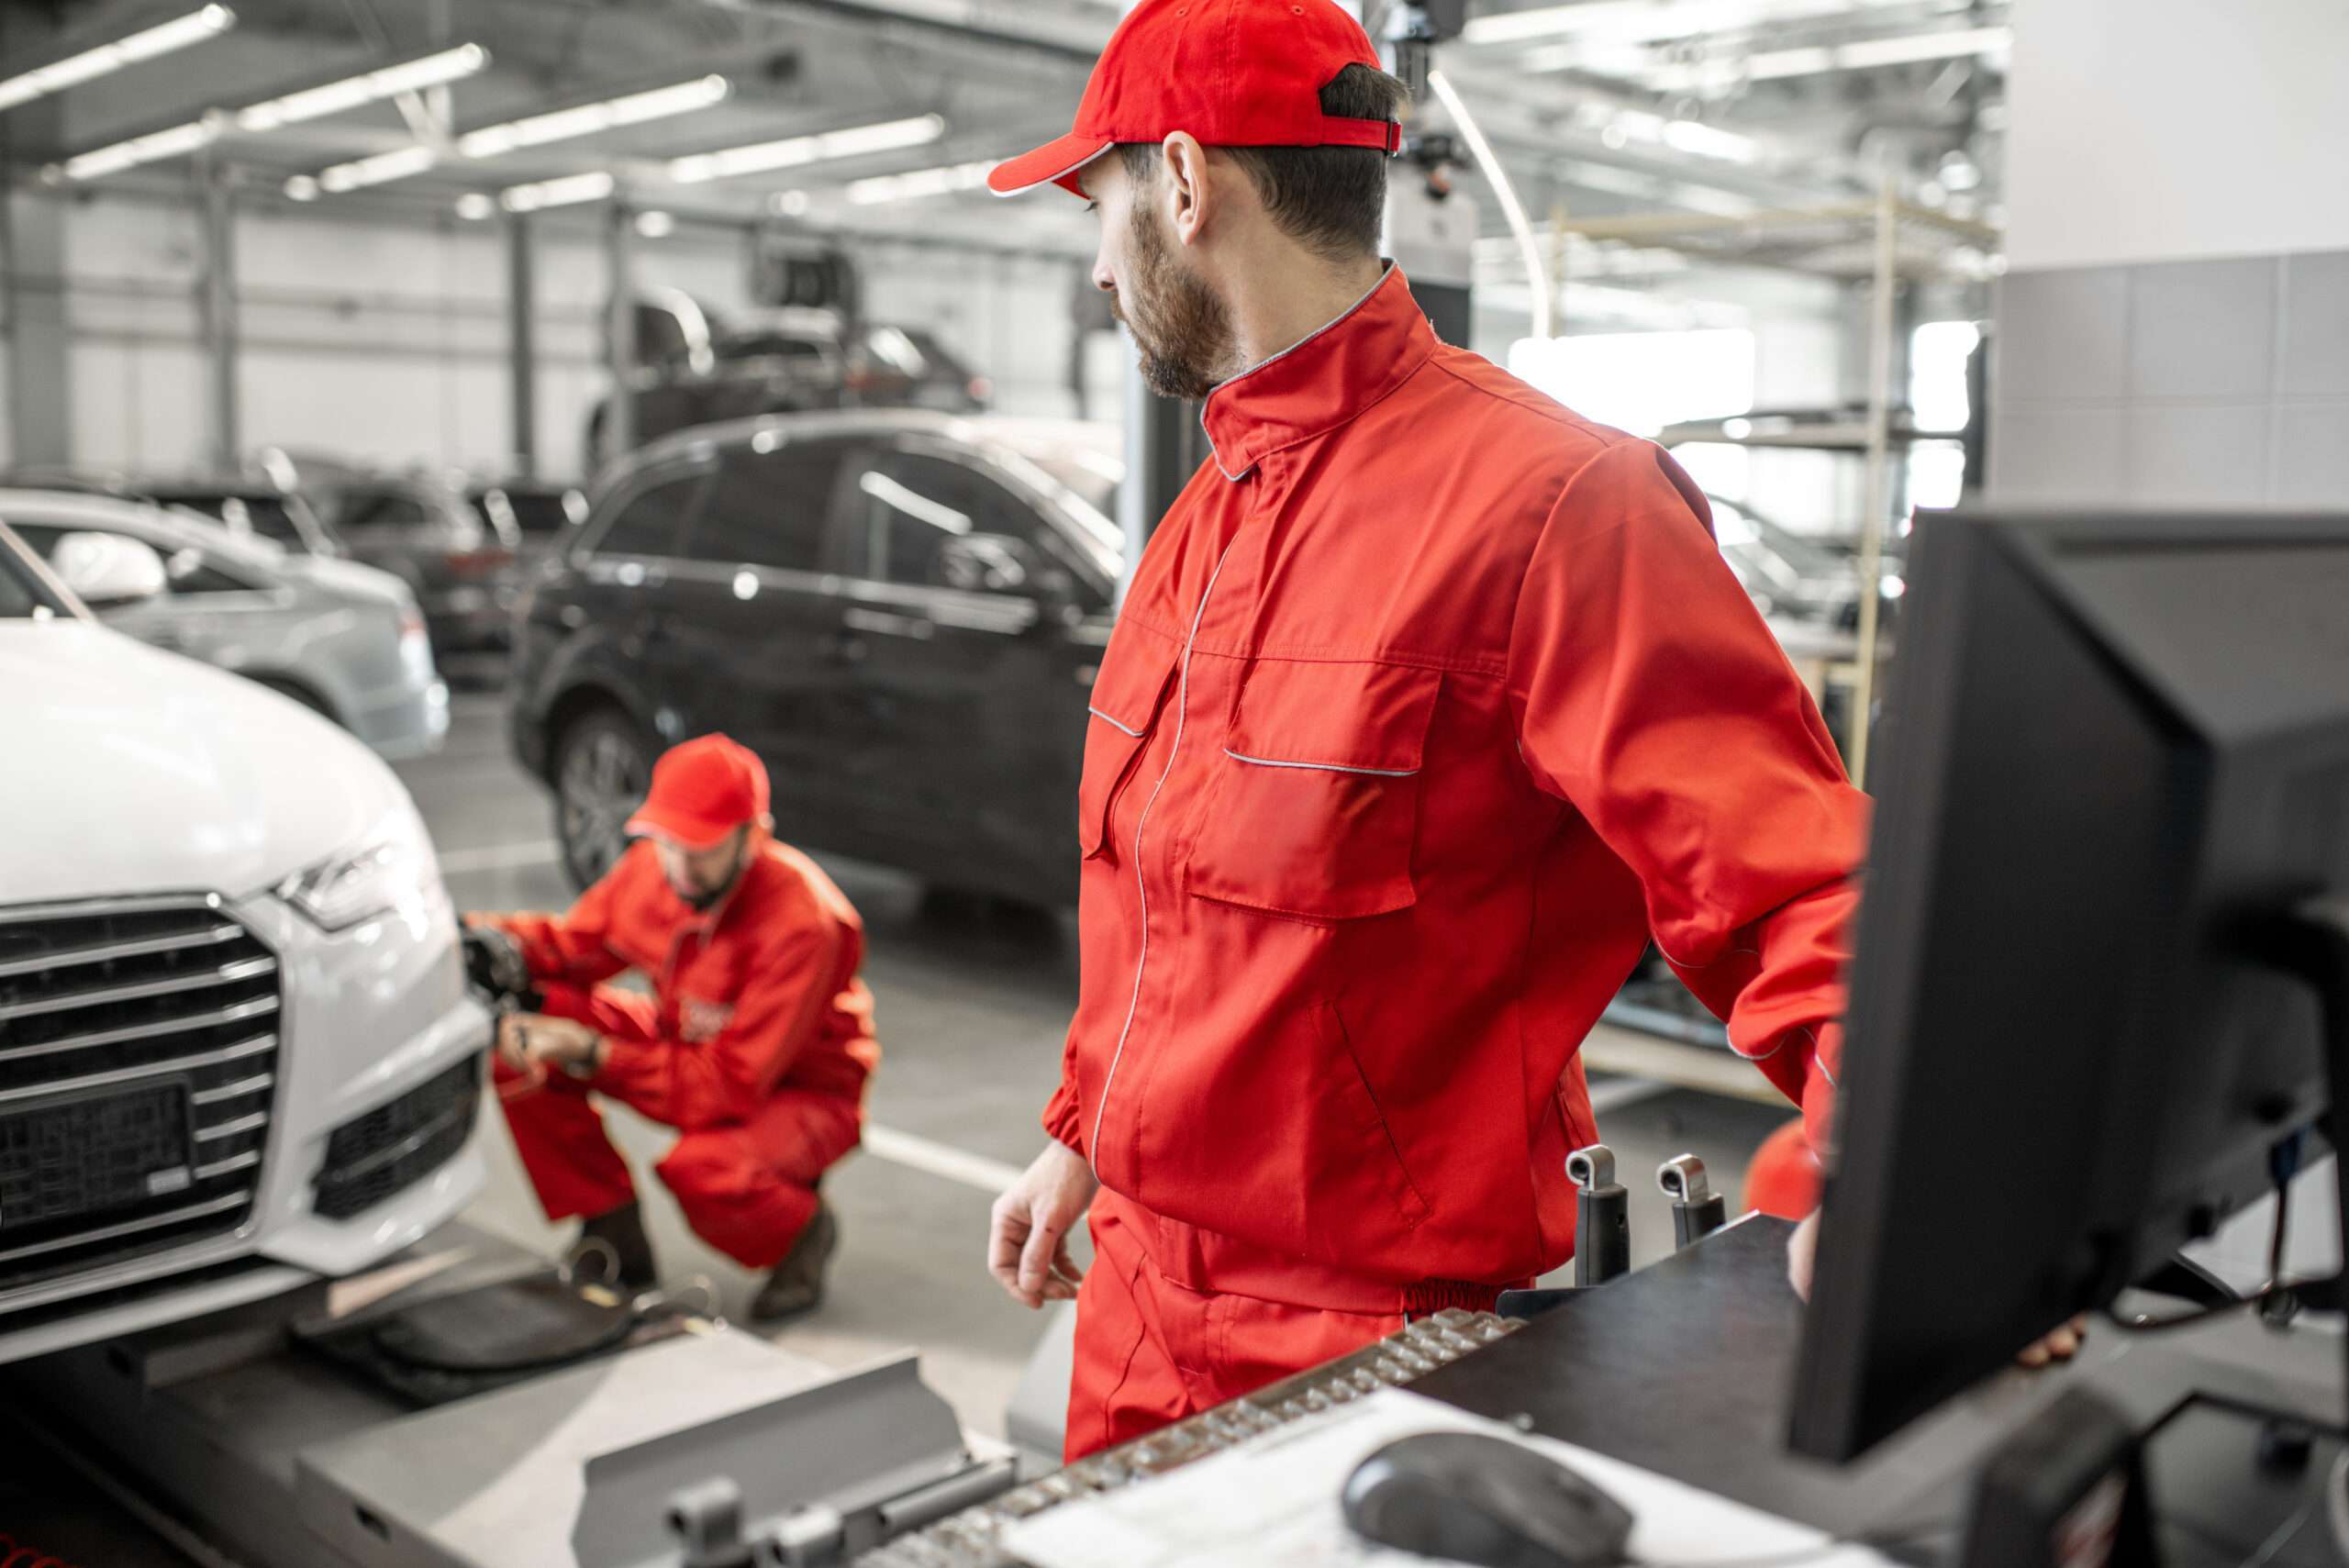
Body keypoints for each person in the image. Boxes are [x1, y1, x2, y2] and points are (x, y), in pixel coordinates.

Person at [983, 0, 1876, 1459]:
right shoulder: (1205, 515)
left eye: (1104, 205)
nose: (1097, 265)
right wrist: (1085, 1134)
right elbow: (1171, 904)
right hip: (1136, 1303)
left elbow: (1797, 889)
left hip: (1375, 1351)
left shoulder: (1560, 510)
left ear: (1190, 184)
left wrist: (1897, 1177)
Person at [468, 732, 877, 1320]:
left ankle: (802, 1233)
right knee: (521, 1044)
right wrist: (482, 937)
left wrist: (594, 1051)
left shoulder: (806, 922)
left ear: (753, 835)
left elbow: (730, 1083)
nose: (679, 867)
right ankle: (613, 1236)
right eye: (667, 842)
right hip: (685, 1040)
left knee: (703, 1170)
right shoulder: (653, 870)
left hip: (797, 1090)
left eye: (701, 848)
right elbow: (572, 946)